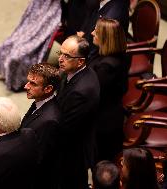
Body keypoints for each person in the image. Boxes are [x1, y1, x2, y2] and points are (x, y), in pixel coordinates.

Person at [56, 35, 100, 189]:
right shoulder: (74, 72)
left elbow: (64, 127)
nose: (60, 59)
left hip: (73, 150)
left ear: (80, 61)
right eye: (60, 53)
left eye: (66, 56)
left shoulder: (81, 91)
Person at [0, 0, 61, 91]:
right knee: (5, 47)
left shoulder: (59, 9)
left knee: (16, 56)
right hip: (29, 28)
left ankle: (15, 83)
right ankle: (8, 76)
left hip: (43, 29)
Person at [89, 18, 129, 162]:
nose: (92, 33)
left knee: (101, 164)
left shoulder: (107, 67)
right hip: (111, 111)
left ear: (106, 38)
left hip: (104, 123)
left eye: (97, 32)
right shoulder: (119, 54)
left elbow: (92, 94)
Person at [21, 62, 61, 188]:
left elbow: (39, 159)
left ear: (48, 89)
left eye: (33, 84)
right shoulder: (40, 101)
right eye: (28, 81)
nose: (26, 86)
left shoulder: (50, 121)